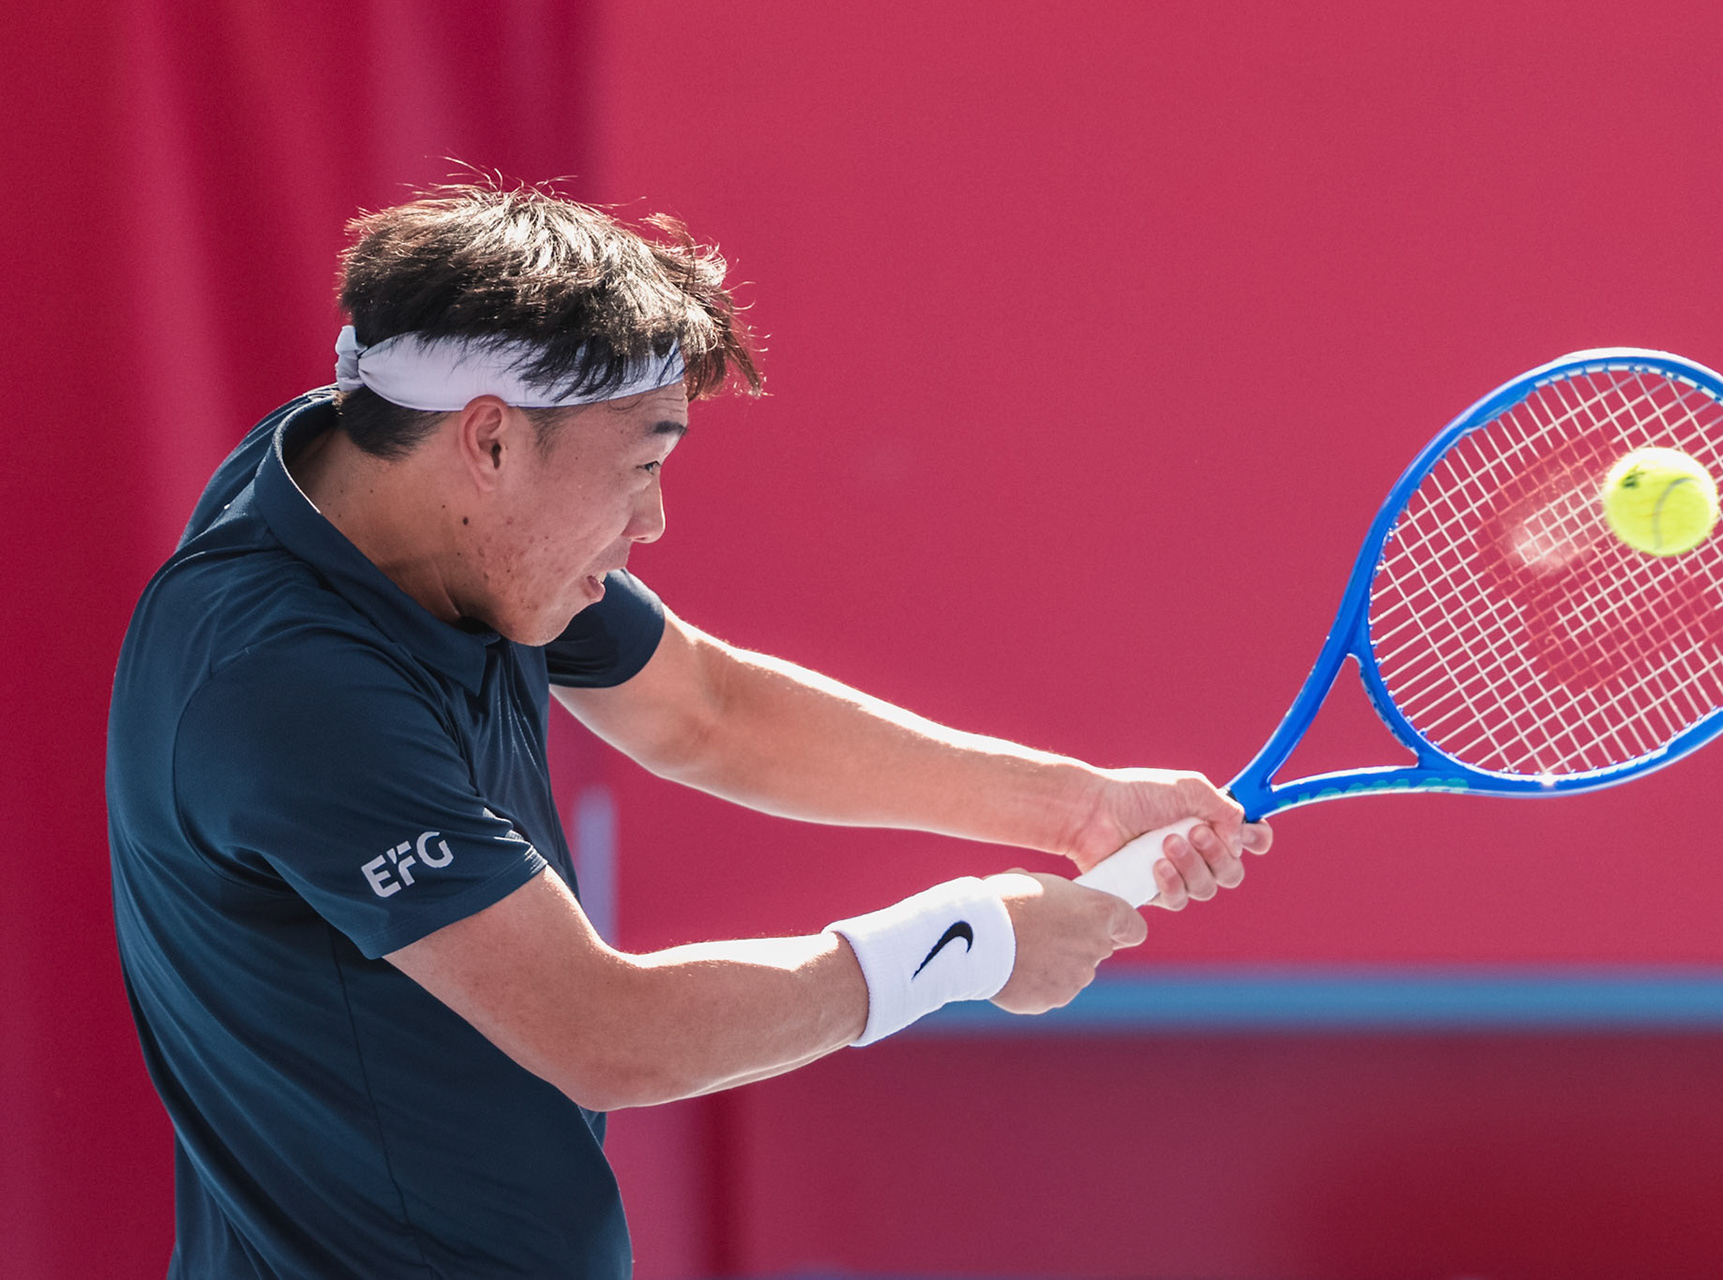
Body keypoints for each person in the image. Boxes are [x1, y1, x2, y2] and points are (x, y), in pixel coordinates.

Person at [106, 183, 1271, 1279]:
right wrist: (966, 941)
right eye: (643, 464)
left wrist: (1073, 805)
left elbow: (705, 708)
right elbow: (604, 1029)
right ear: (493, 439)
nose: (653, 521)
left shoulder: (395, 486)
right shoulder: (288, 686)